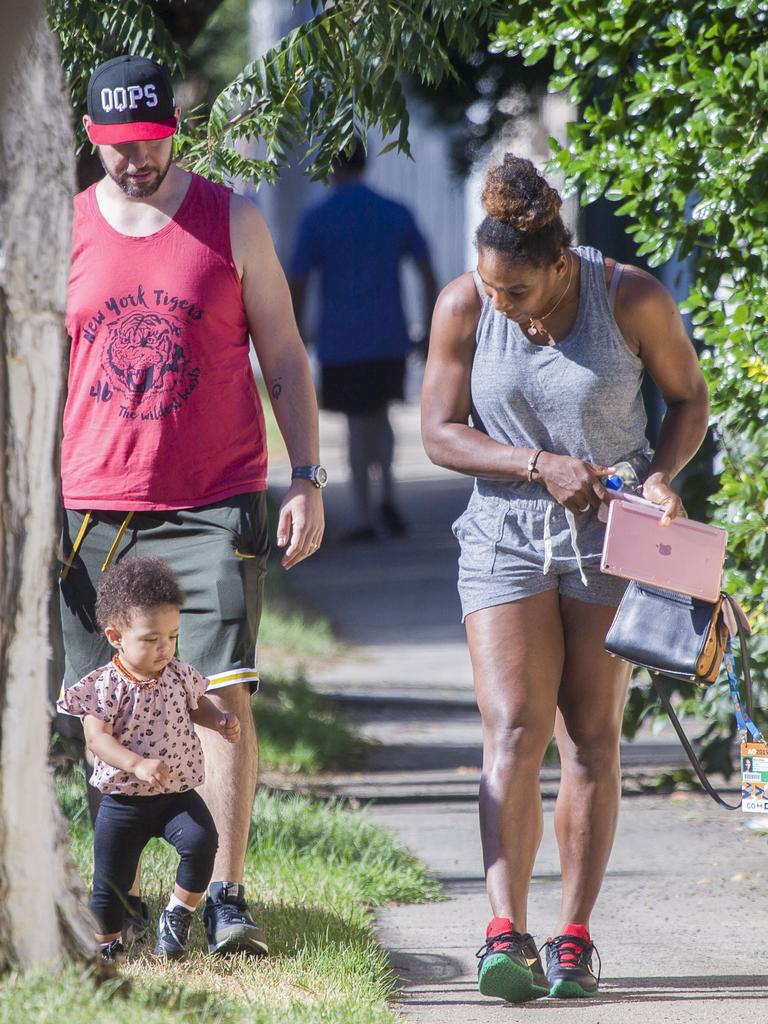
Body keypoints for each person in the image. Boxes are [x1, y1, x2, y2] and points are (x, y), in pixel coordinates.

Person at [421, 154, 709, 1001]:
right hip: (502, 537)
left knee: (590, 734)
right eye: (491, 287)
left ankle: (575, 940)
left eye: (518, 291)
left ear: (560, 263)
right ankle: (503, 934)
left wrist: (661, 474)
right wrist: (536, 462)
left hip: (609, 543)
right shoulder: (464, 304)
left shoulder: (630, 298)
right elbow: (440, 432)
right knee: (514, 728)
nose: (502, 305)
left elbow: (687, 400)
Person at [59, 54, 326, 957]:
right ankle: (116, 904)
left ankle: (222, 896)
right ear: (92, 137)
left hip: (215, 496)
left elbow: (284, 355)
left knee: (219, 694)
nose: (137, 159)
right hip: (94, 507)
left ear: (175, 123)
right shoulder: (62, 232)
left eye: (151, 140)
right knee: (110, 701)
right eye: (117, 146)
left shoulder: (231, 219)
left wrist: (307, 477)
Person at [58, 558, 240, 963]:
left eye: (173, 636)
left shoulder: (177, 674)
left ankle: (177, 914)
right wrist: (136, 763)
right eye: (151, 638)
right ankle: (107, 944)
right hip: (123, 802)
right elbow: (97, 738)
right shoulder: (105, 685)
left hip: (175, 794)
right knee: (110, 884)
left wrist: (220, 719)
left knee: (202, 842)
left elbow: (197, 706)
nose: (164, 648)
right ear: (115, 636)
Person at [289, 139, 437, 541]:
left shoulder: (319, 218)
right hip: (388, 333)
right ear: (366, 161)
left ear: (331, 164)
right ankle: (388, 491)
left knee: (357, 424)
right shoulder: (393, 211)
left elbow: (298, 280)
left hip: (342, 339)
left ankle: (363, 515)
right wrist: (430, 325)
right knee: (381, 414)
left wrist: (296, 335)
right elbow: (426, 269)